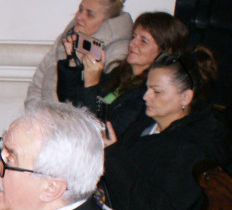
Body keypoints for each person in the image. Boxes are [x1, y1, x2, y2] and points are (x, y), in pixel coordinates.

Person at [101, 49, 228, 210]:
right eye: (147, 88)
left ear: (185, 97)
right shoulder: (148, 122)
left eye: (156, 91)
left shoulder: (191, 149)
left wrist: (112, 156)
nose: (145, 97)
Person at [57, 11, 189, 138]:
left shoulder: (148, 94)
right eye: (133, 37)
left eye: (143, 41)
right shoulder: (120, 74)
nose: (132, 44)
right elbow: (68, 98)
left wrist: (92, 84)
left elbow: (104, 131)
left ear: (164, 51)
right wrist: (73, 61)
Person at [25, 0, 131, 104]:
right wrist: (35, 114)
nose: (79, 17)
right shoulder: (68, 36)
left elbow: (99, 101)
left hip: (77, 121)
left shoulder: (119, 52)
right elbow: (38, 81)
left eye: (89, 14)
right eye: (80, 9)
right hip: (44, 117)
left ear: (107, 23)